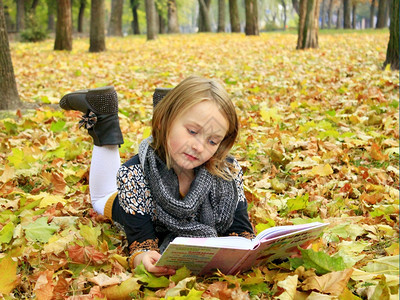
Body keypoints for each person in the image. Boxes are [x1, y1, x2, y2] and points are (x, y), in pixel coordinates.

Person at [60, 76, 254, 276]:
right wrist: (144, 258)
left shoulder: (226, 170)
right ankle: (103, 118)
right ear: (163, 122)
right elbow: (141, 244)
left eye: (213, 141)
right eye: (193, 131)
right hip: (132, 202)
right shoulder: (134, 175)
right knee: (101, 199)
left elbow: (241, 231)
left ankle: (167, 105)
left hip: (166, 136)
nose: (199, 147)